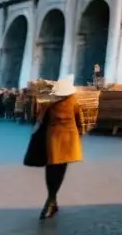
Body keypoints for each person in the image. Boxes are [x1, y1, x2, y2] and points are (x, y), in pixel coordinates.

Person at [35, 75, 84, 221]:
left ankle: (51, 200)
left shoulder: (49, 102)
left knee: (51, 169)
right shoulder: (74, 101)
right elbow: (79, 120)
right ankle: (52, 201)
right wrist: (79, 135)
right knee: (60, 170)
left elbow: (39, 119)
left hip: (54, 139)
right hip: (69, 140)